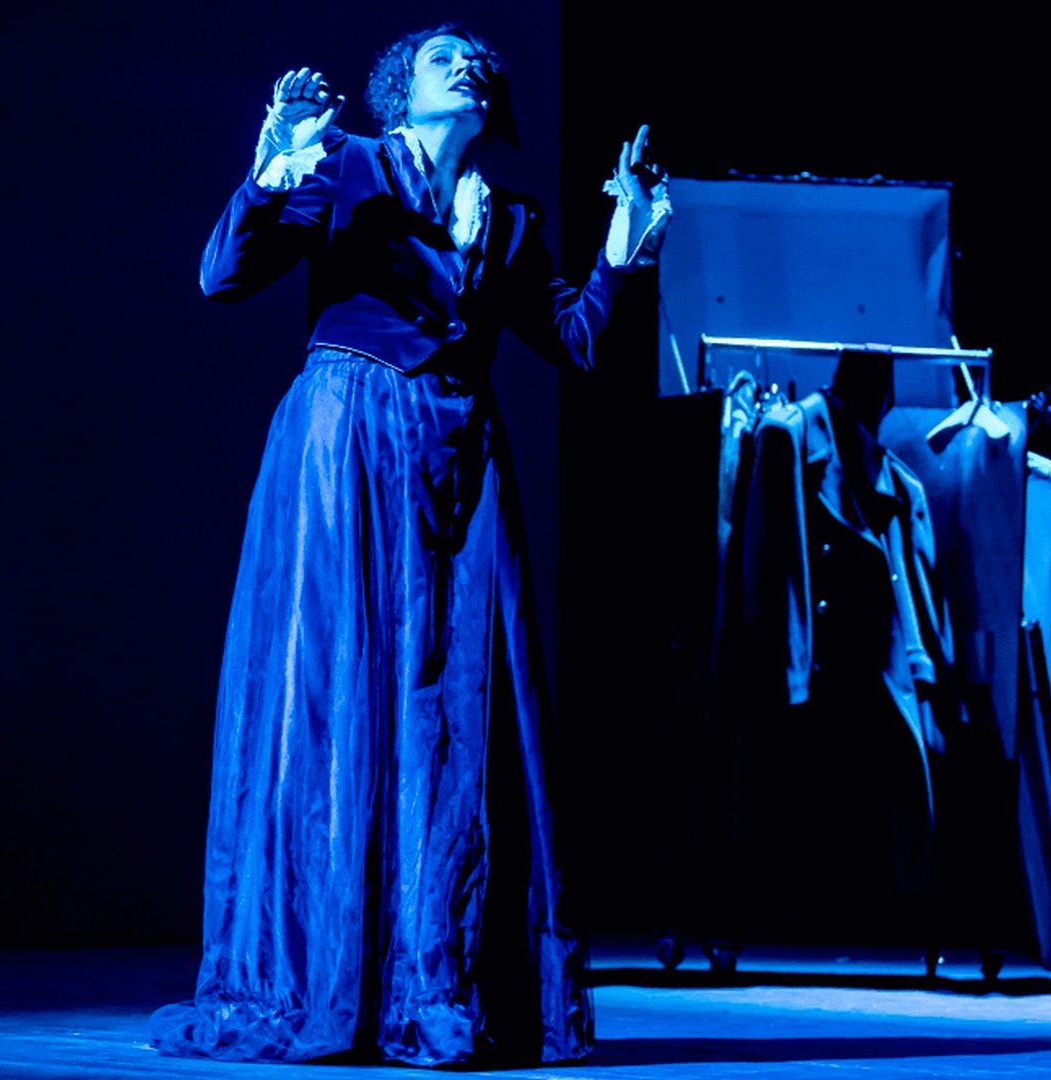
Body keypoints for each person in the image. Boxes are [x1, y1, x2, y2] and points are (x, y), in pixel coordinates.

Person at [150, 21, 671, 1068]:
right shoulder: (346, 167)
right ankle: (316, 973)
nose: (467, 65)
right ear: (400, 89)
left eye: (479, 61)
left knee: (454, 706)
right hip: (344, 445)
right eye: (443, 57)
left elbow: (573, 340)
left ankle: (432, 978)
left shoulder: (510, 218)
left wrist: (623, 248)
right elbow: (221, 276)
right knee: (337, 691)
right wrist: (269, 172)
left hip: (455, 464)